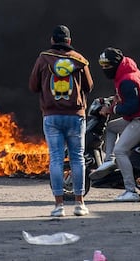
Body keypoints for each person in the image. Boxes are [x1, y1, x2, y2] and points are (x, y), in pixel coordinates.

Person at [28, 25, 94, 217]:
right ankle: (80, 204)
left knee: (56, 159)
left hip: (52, 116)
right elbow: (89, 86)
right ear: (69, 41)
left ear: (52, 40)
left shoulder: (43, 59)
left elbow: (33, 86)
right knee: (78, 159)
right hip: (75, 115)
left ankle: (58, 206)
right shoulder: (80, 60)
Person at [90, 47, 140, 202]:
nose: (104, 69)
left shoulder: (127, 79)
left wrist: (111, 109)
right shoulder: (126, 72)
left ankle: (130, 191)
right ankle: (109, 161)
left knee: (120, 150)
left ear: (114, 64)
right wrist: (115, 99)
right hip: (138, 117)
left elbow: (133, 106)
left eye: (106, 66)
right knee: (111, 128)